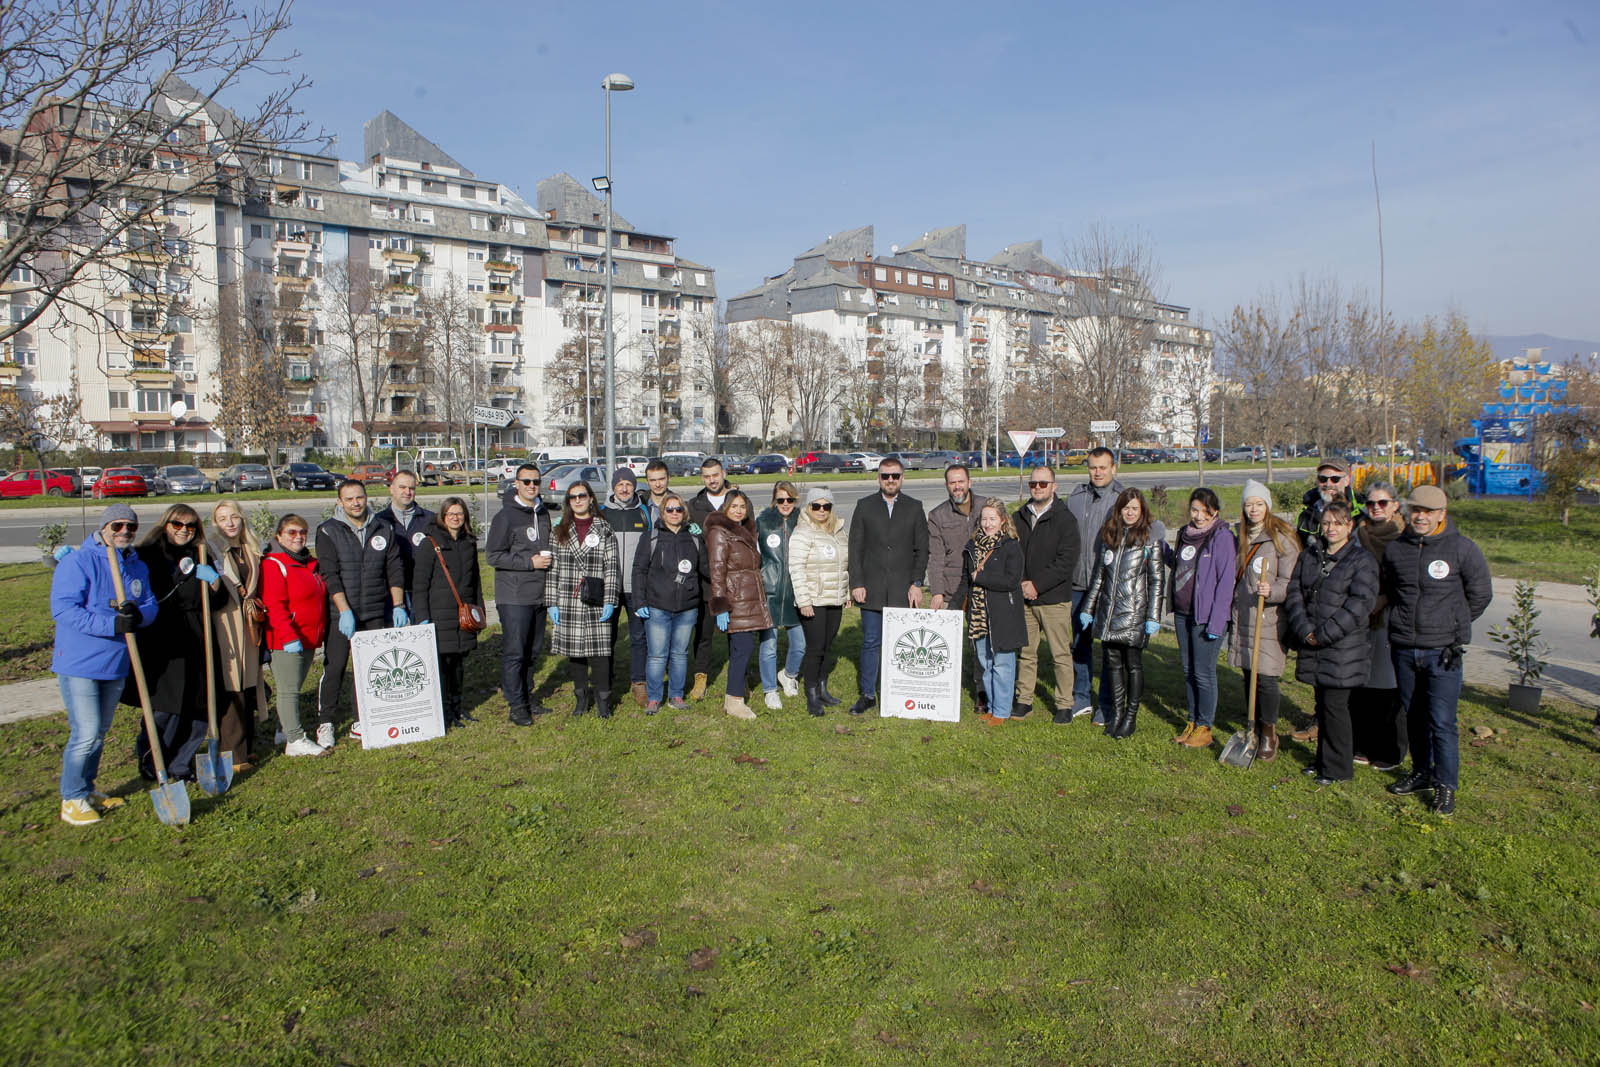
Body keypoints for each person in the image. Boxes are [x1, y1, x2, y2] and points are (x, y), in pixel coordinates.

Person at [1381, 484, 1493, 816]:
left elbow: (1480, 594)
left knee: (1442, 720)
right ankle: (1422, 772)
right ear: (1407, 512)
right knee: (1413, 716)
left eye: (1428, 512)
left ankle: (1446, 785)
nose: (1421, 517)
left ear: (1442, 515)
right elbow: (1390, 589)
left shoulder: (1462, 549)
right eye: (1416, 511)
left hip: (1442, 652)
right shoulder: (1395, 550)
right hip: (1403, 647)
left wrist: (1453, 624)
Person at [50, 504, 157, 824]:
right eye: (117, 526)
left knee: (100, 731)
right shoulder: (78, 562)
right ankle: (71, 798)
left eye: (131, 527)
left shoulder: (136, 565)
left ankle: (87, 788)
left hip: (116, 661)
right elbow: (64, 610)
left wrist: (140, 616)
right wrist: (112, 625)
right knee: (86, 733)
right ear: (104, 528)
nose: (124, 532)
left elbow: (149, 603)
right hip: (80, 662)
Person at [1284, 502, 1380, 785]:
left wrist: (1324, 634)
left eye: (1337, 523)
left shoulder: (1361, 561)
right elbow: (1295, 592)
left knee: (1335, 707)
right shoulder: (1311, 555)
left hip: (1342, 648)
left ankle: (1338, 768)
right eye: (1327, 523)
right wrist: (1305, 630)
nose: (1331, 529)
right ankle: (1323, 759)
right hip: (1313, 642)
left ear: (1349, 527)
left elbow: (1359, 605)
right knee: (1321, 704)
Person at [129, 504, 222, 781]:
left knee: (198, 704)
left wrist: (214, 580)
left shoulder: (201, 554)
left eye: (191, 526)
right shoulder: (147, 555)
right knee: (166, 706)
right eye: (178, 525)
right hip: (162, 638)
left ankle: (181, 763)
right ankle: (152, 759)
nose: (185, 530)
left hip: (198, 636)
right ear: (165, 525)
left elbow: (219, 601)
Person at [314, 480, 407, 746]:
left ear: (366, 498)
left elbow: (394, 569)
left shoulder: (384, 527)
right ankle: (326, 722)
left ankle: (361, 718)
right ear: (340, 502)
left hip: (375, 610)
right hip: (342, 615)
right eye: (349, 499)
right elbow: (330, 575)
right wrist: (344, 611)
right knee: (335, 668)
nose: (356, 503)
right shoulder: (328, 531)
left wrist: (398, 606)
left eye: (360, 497)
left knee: (368, 670)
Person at [1080, 489, 1168, 739]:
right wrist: (1088, 608)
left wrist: (1153, 616)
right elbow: (1099, 576)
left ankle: (1130, 716)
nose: (1129, 513)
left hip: (1134, 613)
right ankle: (1116, 714)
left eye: (1134, 509)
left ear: (1142, 512)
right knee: (1112, 664)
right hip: (1109, 612)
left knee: (1133, 665)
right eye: (1125, 508)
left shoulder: (1149, 540)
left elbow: (1157, 579)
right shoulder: (1111, 538)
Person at [847, 456, 928, 714]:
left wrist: (917, 583)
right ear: (878, 478)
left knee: (902, 644)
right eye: (885, 476)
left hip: (903, 589)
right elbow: (855, 547)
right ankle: (868, 693)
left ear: (902, 478)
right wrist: (857, 582)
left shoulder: (915, 508)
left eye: (895, 476)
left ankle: (901, 691)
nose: (890, 480)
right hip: (871, 588)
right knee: (871, 641)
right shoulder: (864, 506)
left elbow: (922, 550)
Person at [1227, 480, 1300, 762]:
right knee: (1249, 673)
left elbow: (1291, 581)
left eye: (1259, 504)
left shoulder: (1281, 537)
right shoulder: (1241, 536)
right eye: (1249, 504)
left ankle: (1269, 732)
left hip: (1268, 616)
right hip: (1244, 613)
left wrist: (1274, 591)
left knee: (1266, 677)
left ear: (1267, 506)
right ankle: (1253, 725)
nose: (1253, 509)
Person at [1065, 448, 1135, 722]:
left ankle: (1107, 704)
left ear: (1114, 468)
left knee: (1109, 648)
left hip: (1107, 586)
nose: (1097, 472)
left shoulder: (1123, 499)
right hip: (1077, 583)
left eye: (1103, 467)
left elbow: (1146, 529)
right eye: (1093, 467)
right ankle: (1081, 697)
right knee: (1079, 645)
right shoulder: (1077, 497)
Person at [927, 464, 999, 714]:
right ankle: (943, 688)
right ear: (946, 485)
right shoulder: (938, 515)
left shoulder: (987, 507)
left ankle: (982, 691)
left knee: (980, 640)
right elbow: (935, 557)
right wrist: (937, 591)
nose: (957, 486)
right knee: (947, 643)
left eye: (960, 481)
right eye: (951, 482)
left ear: (969, 482)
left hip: (983, 586)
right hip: (951, 586)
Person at [485, 462, 554, 726]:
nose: (531, 486)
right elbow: (493, 555)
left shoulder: (543, 513)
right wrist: (529, 563)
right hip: (514, 596)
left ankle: (527, 696)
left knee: (533, 651)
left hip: (539, 594)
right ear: (516, 483)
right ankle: (516, 706)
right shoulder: (506, 516)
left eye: (536, 481)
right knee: (515, 652)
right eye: (526, 481)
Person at [1013, 465, 1082, 723]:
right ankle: (1024, 700)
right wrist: (1021, 583)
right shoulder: (1019, 516)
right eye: (1034, 484)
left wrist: (1037, 585)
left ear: (1054, 486)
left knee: (1060, 654)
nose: (1038, 488)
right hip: (1024, 598)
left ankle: (1064, 704)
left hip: (1053, 599)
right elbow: (1012, 554)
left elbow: (1066, 561)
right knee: (1026, 653)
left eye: (1043, 483)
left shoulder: (1065, 519)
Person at [1171, 487, 1238, 748]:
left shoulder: (1221, 537)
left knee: (1203, 673)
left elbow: (1225, 582)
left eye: (1205, 512)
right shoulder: (1185, 535)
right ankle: (1192, 720)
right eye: (1195, 510)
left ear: (1215, 513)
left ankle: (1205, 726)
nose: (1199, 516)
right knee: (1188, 671)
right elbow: (1182, 569)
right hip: (1182, 613)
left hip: (1205, 617)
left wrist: (1217, 621)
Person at [547, 480, 620, 717]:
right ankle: (581, 699)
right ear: (568, 502)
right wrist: (551, 602)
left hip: (596, 598)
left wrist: (610, 599)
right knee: (575, 653)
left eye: (582, 495)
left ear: (590, 498)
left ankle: (603, 701)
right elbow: (552, 568)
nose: (578, 500)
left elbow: (612, 566)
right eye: (572, 497)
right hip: (567, 599)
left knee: (600, 654)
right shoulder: (559, 529)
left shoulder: (604, 528)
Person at [412, 497, 485, 730]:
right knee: (442, 665)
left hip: (463, 614)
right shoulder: (430, 543)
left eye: (460, 513)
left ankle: (457, 706)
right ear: (443, 517)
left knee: (459, 665)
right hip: (439, 614)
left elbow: (476, 580)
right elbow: (420, 584)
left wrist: (479, 608)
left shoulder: (468, 542)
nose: (455, 517)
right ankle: (442, 712)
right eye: (451, 514)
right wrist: (422, 617)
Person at [260, 514, 330, 756]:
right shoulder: (274, 564)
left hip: (309, 636)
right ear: (279, 536)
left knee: (295, 686)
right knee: (289, 689)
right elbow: (274, 604)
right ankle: (295, 739)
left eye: (302, 532)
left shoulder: (308, 563)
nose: (298, 537)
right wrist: (288, 636)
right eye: (291, 532)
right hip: (287, 639)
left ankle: (283, 729)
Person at [1349, 482, 1408, 769]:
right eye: (1371, 503)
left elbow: (1411, 581)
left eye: (1382, 503)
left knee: (1387, 685)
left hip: (1390, 618)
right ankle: (1361, 743)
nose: (1376, 508)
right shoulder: (1358, 535)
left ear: (1395, 505)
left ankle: (1389, 750)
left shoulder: (1404, 537)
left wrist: (1385, 598)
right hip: (1361, 616)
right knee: (1360, 681)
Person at [954, 500, 1026, 724]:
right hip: (978, 615)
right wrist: (953, 608)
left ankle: (1002, 711)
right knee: (986, 663)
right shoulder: (972, 546)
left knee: (1003, 664)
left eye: (992, 519)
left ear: (1003, 520)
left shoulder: (1010, 545)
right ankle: (992, 707)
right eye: (984, 519)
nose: (987, 524)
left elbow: (1011, 580)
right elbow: (966, 580)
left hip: (1003, 614)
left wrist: (981, 578)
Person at [632, 491, 704, 712]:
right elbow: (639, 570)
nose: (674, 513)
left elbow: (705, 568)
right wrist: (639, 602)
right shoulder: (651, 537)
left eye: (678, 509)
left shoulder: (693, 538)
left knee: (680, 654)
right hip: (657, 606)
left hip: (687, 608)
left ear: (684, 512)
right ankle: (654, 698)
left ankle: (676, 696)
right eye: (670, 509)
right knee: (657, 655)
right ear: (663, 512)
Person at [207, 500, 266, 769]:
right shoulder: (212, 551)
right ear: (215, 523)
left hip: (249, 622)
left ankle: (246, 745)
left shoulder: (250, 549)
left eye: (234, 517)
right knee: (232, 685)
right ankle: (231, 753)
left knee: (249, 683)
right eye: (222, 518)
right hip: (226, 624)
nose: (229, 523)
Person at [705, 489, 772, 720]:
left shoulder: (745, 531)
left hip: (748, 598)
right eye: (734, 506)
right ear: (725, 508)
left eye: (742, 506)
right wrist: (721, 605)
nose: (738, 510)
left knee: (740, 649)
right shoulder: (720, 533)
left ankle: (734, 693)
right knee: (743, 648)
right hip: (735, 600)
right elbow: (716, 569)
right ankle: (734, 701)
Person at [789, 486, 850, 716]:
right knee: (815, 648)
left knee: (827, 645)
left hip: (835, 598)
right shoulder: (802, 533)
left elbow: (844, 566)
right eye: (816, 505)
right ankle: (811, 693)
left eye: (826, 506)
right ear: (809, 507)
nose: (821, 510)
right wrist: (803, 600)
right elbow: (796, 568)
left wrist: (846, 593)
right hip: (813, 599)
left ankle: (823, 687)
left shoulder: (839, 531)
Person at [600, 467, 651, 706]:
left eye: (628, 484)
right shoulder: (601, 513)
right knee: (605, 636)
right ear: (613, 487)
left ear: (634, 487)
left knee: (639, 637)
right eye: (619, 484)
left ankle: (639, 682)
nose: (624, 488)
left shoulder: (644, 512)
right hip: (608, 588)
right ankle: (605, 681)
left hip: (636, 587)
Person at [686, 456, 735, 700]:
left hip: (733, 577)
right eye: (706, 476)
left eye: (715, 475)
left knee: (736, 632)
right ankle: (700, 677)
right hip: (705, 580)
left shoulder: (737, 500)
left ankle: (739, 678)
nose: (711, 480)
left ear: (723, 473)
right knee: (704, 633)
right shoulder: (694, 505)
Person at [755, 481, 806, 710]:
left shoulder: (804, 522)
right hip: (770, 591)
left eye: (790, 500)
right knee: (769, 646)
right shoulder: (763, 522)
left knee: (800, 644)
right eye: (781, 500)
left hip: (797, 591)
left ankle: (789, 674)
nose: (785, 504)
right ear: (774, 501)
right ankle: (769, 690)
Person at [375, 469, 434, 608]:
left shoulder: (430, 520)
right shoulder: (378, 522)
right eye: (402, 487)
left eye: (411, 488)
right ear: (392, 489)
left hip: (422, 591)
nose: (407, 492)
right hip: (390, 593)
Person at [1296, 457, 1358, 550]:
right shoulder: (1307, 513)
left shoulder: (1360, 511)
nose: (1328, 484)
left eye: (1335, 479)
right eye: (1322, 479)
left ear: (1347, 481)